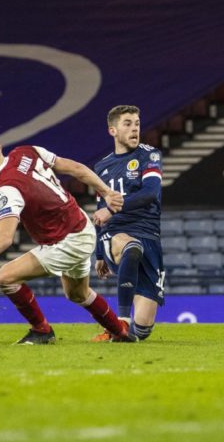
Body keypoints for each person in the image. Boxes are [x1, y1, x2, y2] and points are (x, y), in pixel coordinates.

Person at [0, 128, 133, 344]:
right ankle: (119, 332)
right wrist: (106, 192)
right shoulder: (27, 152)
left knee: (6, 277)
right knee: (77, 294)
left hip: (68, 241)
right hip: (81, 227)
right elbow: (75, 168)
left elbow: (5, 238)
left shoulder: (7, 190)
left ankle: (41, 331)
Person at [90, 105, 164, 342]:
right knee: (131, 247)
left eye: (137, 124)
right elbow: (99, 212)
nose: (135, 129)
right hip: (117, 233)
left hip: (149, 235)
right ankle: (120, 321)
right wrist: (99, 253)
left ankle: (123, 331)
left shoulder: (149, 155)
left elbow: (150, 193)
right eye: (128, 124)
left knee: (142, 332)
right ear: (113, 130)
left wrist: (111, 208)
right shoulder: (101, 167)